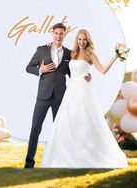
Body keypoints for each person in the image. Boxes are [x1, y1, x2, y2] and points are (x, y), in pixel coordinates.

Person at [40, 29, 128, 168]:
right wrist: (50, 45)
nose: (81, 42)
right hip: (71, 92)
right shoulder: (72, 53)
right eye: (79, 39)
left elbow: (103, 70)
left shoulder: (90, 55)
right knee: (68, 122)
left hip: (83, 91)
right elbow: (60, 55)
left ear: (88, 41)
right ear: (77, 40)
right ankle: (68, 154)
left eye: (84, 39)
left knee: (84, 121)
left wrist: (115, 56)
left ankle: (88, 153)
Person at [24, 23, 91, 168]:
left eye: (61, 33)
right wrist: (40, 69)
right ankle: (29, 163)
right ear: (52, 34)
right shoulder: (41, 49)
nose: (58, 36)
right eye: (56, 33)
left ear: (64, 35)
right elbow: (28, 68)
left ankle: (59, 162)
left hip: (60, 97)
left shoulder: (69, 53)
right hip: (43, 96)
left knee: (60, 131)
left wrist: (87, 75)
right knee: (35, 127)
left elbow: (75, 71)